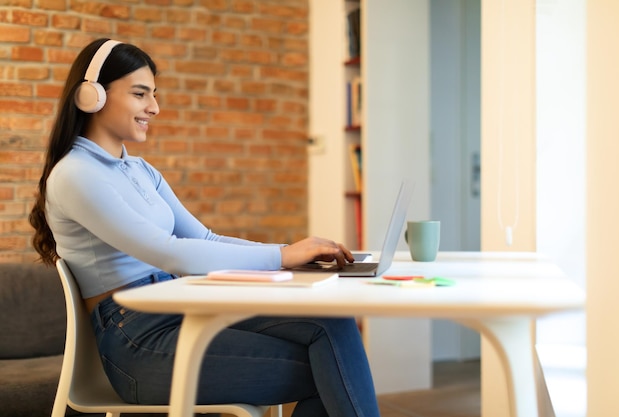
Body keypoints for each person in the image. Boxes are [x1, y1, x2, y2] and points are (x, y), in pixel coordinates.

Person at [29, 38, 381, 417]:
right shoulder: (75, 175)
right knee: (330, 367)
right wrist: (281, 256)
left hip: (180, 309)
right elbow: (169, 251)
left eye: (154, 94)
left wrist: (293, 253)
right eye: (140, 94)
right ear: (91, 96)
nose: (154, 107)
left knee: (332, 326)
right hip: (137, 343)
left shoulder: (141, 170)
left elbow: (204, 239)